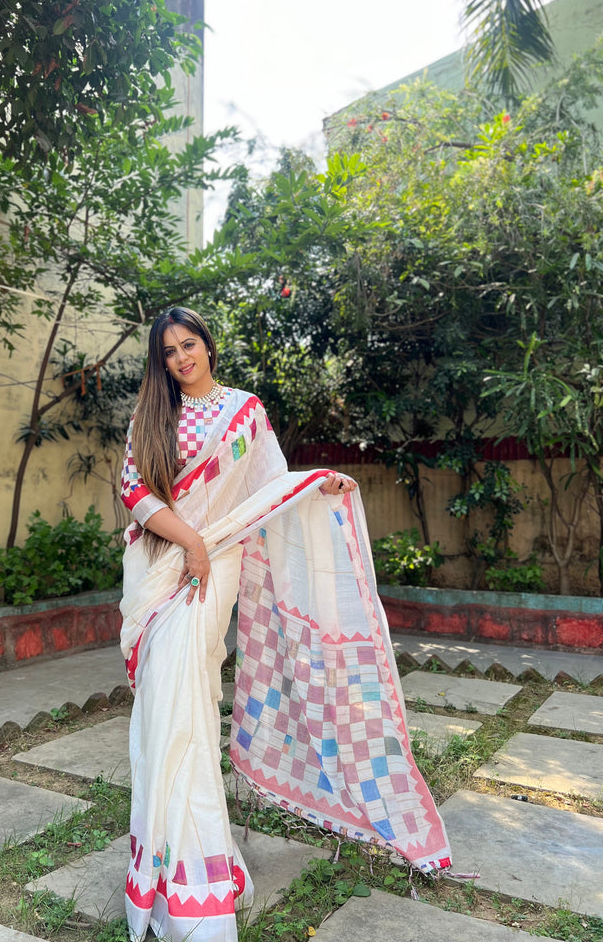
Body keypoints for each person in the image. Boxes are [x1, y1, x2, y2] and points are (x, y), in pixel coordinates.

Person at [119, 307, 451, 942]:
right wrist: (187, 541)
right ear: (159, 362)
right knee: (163, 711)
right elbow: (135, 492)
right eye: (169, 351)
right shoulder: (149, 417)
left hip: (215, 566)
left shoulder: (244, 412)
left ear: (208, 347)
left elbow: (270, 486)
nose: (181, 358)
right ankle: (174, 863)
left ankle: (195, 879)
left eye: (189, 344)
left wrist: (319, 487)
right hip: (161, 564)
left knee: (186, 707)